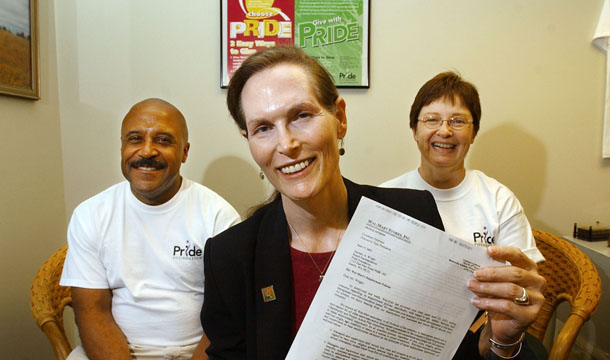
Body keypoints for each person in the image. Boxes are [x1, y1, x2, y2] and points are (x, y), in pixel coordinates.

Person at [200, 46, 545, 359]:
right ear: (249, 141)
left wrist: (501, 340)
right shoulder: (231, 257)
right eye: (263, 128)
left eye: (301, 116)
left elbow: (451, 353)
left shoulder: (413, 215)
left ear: (340, 118)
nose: (286, 143)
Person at [60, 98, 241, 360]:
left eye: (163, 140)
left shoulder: (218, 217)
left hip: (196, 353)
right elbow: (92, 312)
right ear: (122, 146)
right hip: (114, 351)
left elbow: (228, 317)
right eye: (135, 139)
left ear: (185, 152)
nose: (147, 151)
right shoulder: (91, 215)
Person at [381, 71, 545, 264]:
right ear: (414, 130)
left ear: (473, 133)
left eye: (458, 121)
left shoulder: (499, 200)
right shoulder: (384, 198)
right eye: (432, 119)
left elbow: (527, 279)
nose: (444, 131)